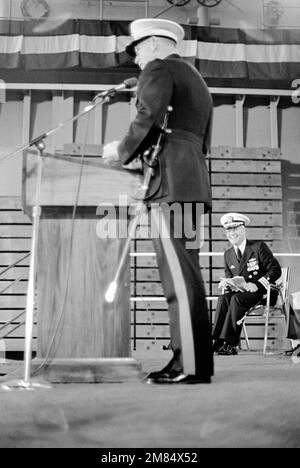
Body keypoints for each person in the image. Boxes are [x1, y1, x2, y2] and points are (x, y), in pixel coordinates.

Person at [103, 18, 214, 384]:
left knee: (177, 279)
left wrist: (119, 152)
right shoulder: (195, 79)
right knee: (188, 275)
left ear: (151, 43)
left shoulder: (159, 67)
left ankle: (189, 366)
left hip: (170, 184)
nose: (136, 60)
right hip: (191, 181)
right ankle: (194, 361)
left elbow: (148, 116)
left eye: (136, 51)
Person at [212, 212, 282, 355]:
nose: (231, 233)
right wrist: (228, 284)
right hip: (242, 294)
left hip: (263, 294)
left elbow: (275, 270)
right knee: (224, 298)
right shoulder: (228, 254)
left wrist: (258, 284)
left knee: (237, 299)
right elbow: (230, 277)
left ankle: (230, 344)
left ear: (243, 229)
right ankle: (217, 341)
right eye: (228, 230)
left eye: (235, 228)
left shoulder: (258, 247)